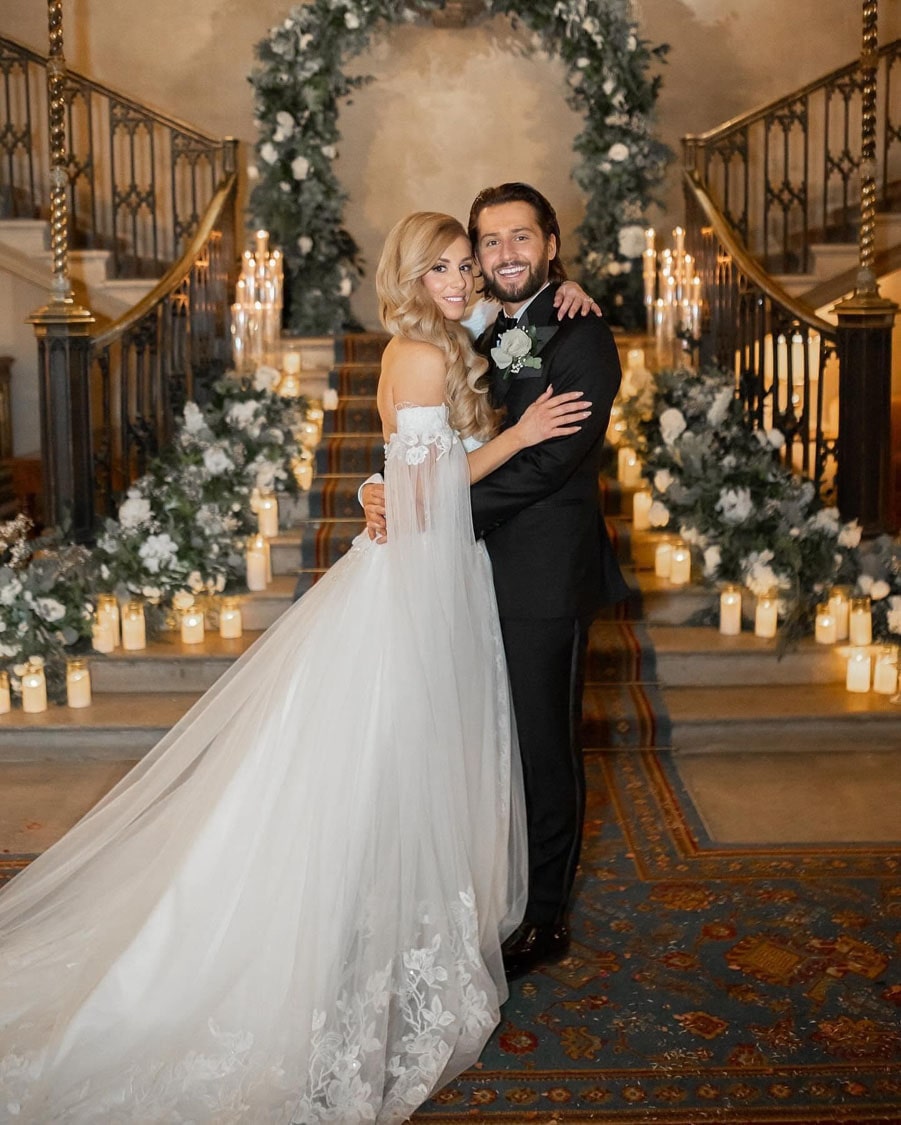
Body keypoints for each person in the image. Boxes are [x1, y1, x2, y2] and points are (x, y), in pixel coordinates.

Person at [0, 212, 590, 1124]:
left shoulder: (443, 337)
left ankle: (387, 919)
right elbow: (423, 487)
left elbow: (412, 445)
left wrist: (565, 288)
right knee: (390, 753)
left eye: (464, 266)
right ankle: (348, 932)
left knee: (404, 756)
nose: (461, 280)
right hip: (419, 579)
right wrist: (512, 440)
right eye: (439, 268)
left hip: (436, 568)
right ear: (409, 277)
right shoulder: (419, 352)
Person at [363, 184, 629, 980]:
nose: (504, 252)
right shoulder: (475, 326)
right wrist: (383, 490)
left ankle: (543, 917)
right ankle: (487, 890)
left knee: (543, 747)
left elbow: (548, 462)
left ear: (550, 244)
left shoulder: (581, 334)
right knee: (482, 743)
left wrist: (425, 511)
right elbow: (420, 436)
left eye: (521, 236)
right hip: (465, 571)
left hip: (540, 579)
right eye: (490, 240)